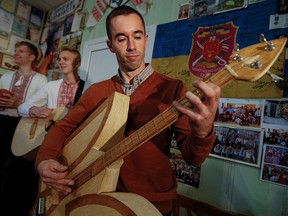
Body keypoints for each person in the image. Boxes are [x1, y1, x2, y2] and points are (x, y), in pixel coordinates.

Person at [35, 5, 220, 216]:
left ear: (146, 38)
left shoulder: (173, 88)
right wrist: (45, 159)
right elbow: (62, 127)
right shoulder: (96, 91)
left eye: (137, 36)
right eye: (122, 38)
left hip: (149, 205)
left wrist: (202, 132)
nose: (132, 46)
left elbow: (193, 158)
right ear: (110, 45)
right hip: (94, 199)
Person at [0, 41, 47, 215]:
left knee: (15, 168)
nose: (16, 53)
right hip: (2, 121)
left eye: (21, 51)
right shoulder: (5, 77)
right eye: (15, 50)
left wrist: (18, 103)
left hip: (22, 125)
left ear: (32, 57)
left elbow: (40, 107)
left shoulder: (41, 80)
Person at [18, 46, 85, 118]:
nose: (60, 62)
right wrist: (32, 110)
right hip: (52, 128)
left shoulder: (87, 87)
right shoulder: (50, 86)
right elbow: (22, 108)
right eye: (59, 59)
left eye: (65, 59)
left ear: (77, 63)